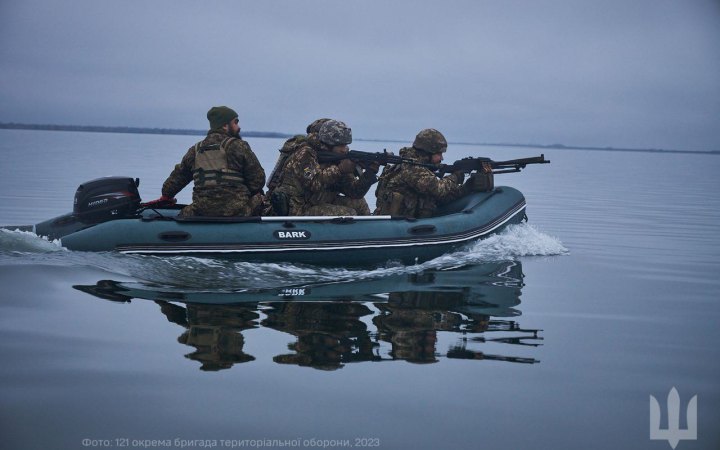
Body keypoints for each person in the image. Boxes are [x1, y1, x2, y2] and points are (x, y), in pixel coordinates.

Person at [146, 106, 266, 217]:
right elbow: (258, 182)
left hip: (200, 211)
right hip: (237, 212)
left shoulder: (195, 150)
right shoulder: (239, 146)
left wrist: (167, 197)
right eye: (235, 122)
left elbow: (169, 187)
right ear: (225, 125)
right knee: (261, 197)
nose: (238, 127)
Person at [272, 119, 378, 216]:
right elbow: (314, 184)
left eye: (346, 145)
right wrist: (339, 169)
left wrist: (369, 173)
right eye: (340, 145)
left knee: (359, 204)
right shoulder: (305, 153)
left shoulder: (337, 158)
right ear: (329, 144)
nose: (344, 149)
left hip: (318, 201)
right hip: (298, 207)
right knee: (348, 213)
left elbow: (354, 192)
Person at [374, 128, 465, 218]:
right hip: (397, 226)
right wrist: (456, 177)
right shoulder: (412, 168)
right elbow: (439, 189)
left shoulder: (411, 164)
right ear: (427, 152)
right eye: (439, 154)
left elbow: (436, 197)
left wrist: (465, 189)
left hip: (404, 223)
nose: (441, 158)